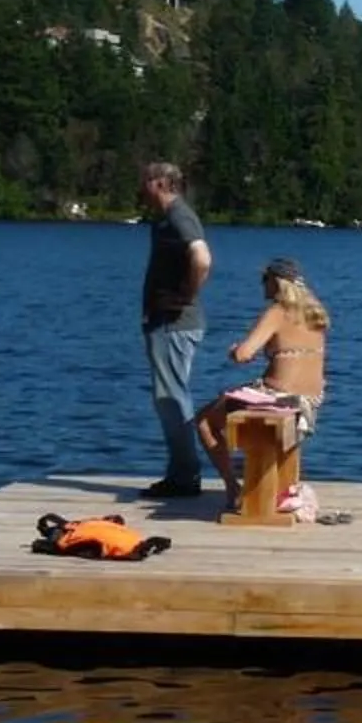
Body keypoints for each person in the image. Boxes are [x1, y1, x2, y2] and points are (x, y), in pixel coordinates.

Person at [196, 256, 330, 511]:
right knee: (235, 406)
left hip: (279, 396)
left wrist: (235, 350)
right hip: (311, 401)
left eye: (264, 279)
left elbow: (244, 354)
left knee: (204, 422)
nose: (262, 286)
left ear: (276, 282)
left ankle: (234, 488)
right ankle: (267, 482)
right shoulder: (316, 313)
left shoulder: (278, 312)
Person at [136, 160, 211, 497]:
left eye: (145, 181)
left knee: (171, 397)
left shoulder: (180, 215)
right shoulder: (165, 219)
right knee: (168, 396)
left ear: (161, 184)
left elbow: (202, 258)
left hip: (174, 324)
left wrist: (187, 295)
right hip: (163, 322)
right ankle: (181, 472)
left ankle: (184, 477)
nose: (141, 187)